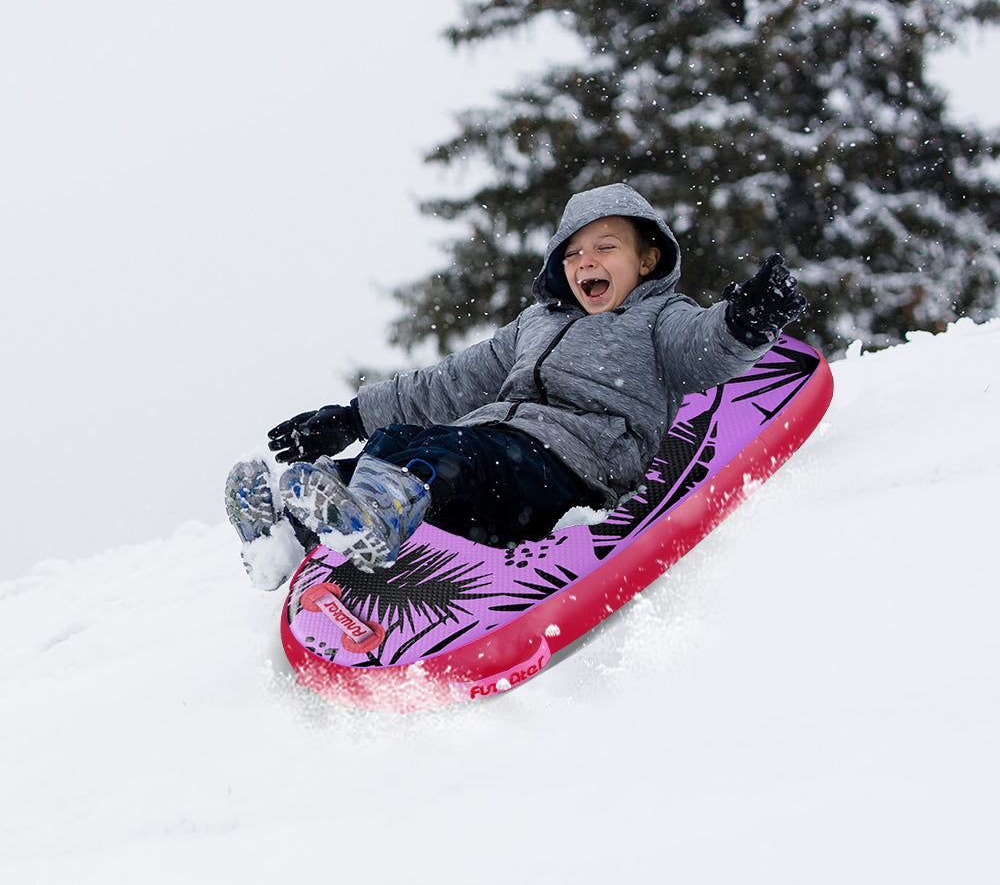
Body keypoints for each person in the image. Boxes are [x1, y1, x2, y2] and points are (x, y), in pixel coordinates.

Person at [225, 182, 807, 588]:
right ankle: (287, 531)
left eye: (606, 248)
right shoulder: (537, 323)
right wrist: (353, 419)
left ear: (648, 260)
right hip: (495, 462)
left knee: (453, 453)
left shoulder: (659, 319)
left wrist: (745, 320)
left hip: (573, 470)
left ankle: (376, 516)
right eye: (574, 253)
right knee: (404, 441)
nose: (587, 263)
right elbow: (450, 382)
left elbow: (705, 348)